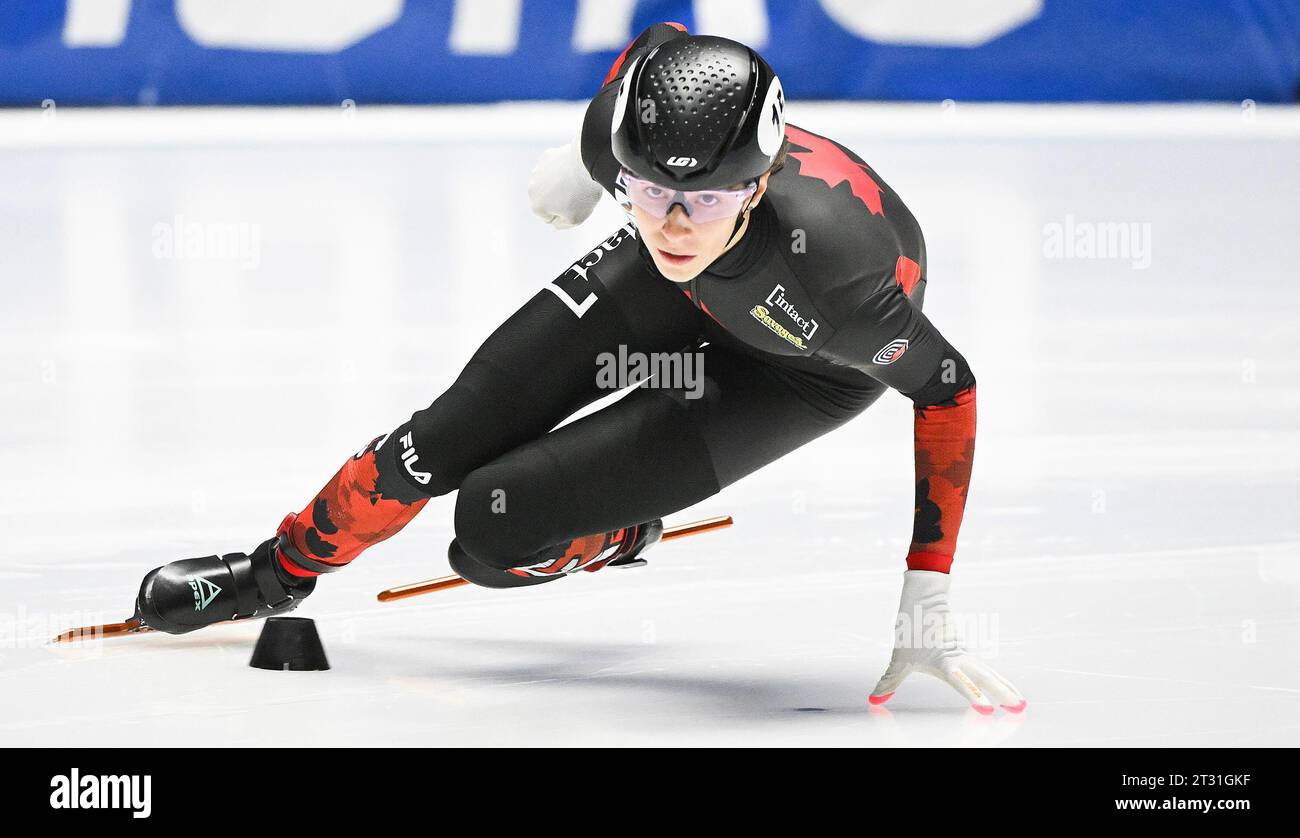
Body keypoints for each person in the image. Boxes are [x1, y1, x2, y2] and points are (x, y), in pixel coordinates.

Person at [131, 23, 1024, 714]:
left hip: (796, 369)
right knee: (440, 440)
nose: (673, 223)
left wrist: (928, 587)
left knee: (491, 530)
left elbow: (950, 390)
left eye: (705, 198)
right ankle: (268, 576)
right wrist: (581, 161)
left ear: (755, 185)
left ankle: (622, 530)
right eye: (646, 191)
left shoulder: (841, 279)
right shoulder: (633, 148)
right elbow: (660, 44)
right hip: (685, 295)